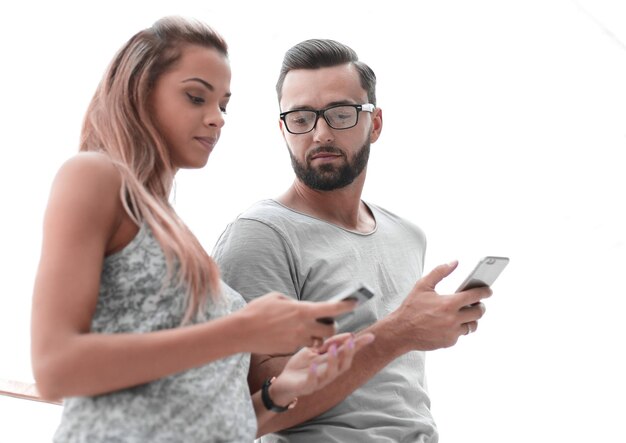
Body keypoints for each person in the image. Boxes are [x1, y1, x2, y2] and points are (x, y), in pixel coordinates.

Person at [30, 18, 374, 443]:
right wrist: (244, 330)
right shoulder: (94, 177)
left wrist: (282, 390)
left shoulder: (175, 232)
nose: (217, 119)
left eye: (224, 105)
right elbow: (54, 368)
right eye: (196, 97)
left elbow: (201, 418)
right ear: (141, 90)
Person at [212, 38, 493, 442]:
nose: (320, 133)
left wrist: (435, 324)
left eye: (341, 114)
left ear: (375, 123)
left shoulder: (407, 235)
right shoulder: (260, 235)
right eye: (301, 117)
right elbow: (250, 409)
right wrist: (400, 333)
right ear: (282, 128)